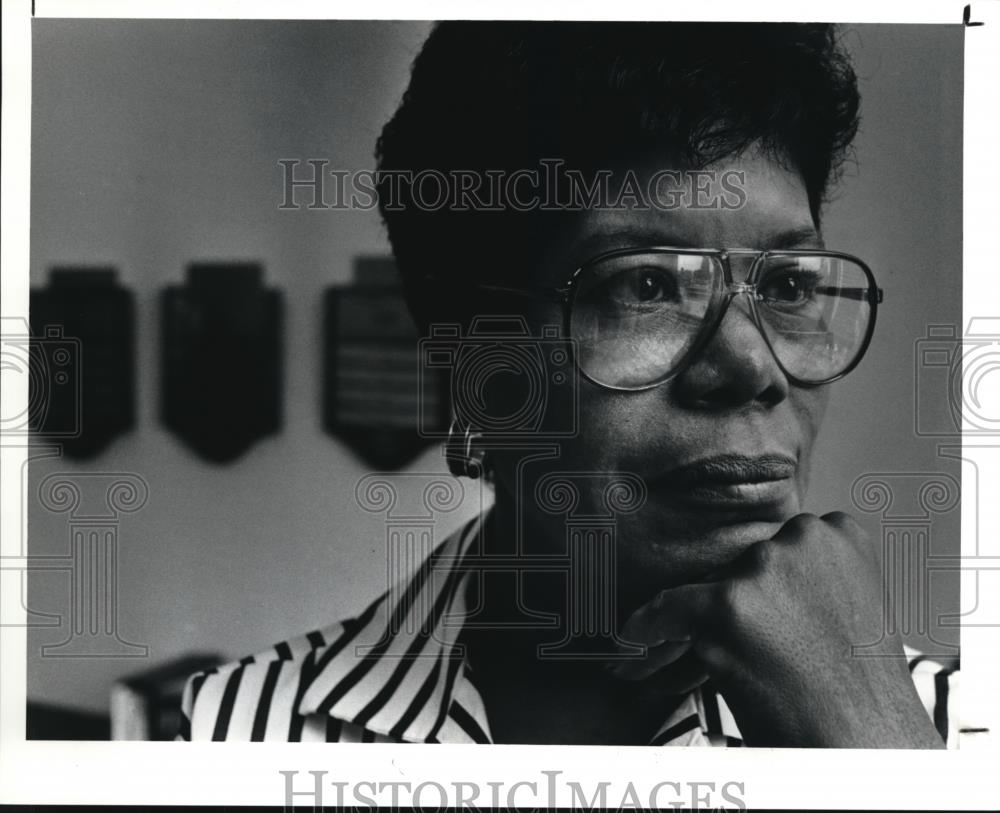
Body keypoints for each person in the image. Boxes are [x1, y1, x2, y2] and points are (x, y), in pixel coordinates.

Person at [180, 21, 968, 746]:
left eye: (789, 284)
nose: (753, 367)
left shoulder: (957, 733)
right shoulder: (233, 740)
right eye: (647, 287)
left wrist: (871, 740)